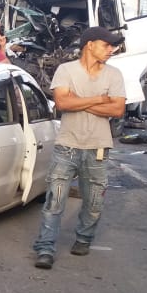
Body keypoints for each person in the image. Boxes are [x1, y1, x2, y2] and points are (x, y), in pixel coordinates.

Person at [32, 26, 126, 269]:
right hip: (67, 146)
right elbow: (62, 103)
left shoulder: (114, 74)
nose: (111, 50)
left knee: (94, 203)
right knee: (54, 201)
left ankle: (84, 239)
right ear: (90, 45)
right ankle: (45, 248)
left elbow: (117, 109)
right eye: (106, 45)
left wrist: (78, 101)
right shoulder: (66, 70)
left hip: (98, 148)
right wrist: (100, 99)